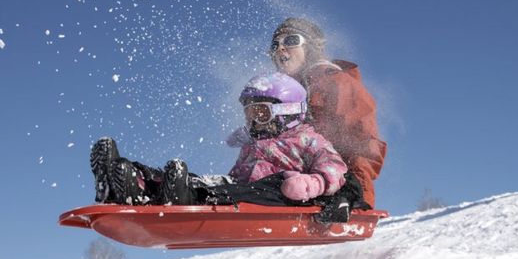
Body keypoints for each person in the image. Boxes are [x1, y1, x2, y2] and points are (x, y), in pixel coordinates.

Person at [91, 72, 359, 222]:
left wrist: (312, 184)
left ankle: (186, 195)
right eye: (250, 114)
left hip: (277, 194)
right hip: (240, 187)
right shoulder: (254, 143)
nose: (254, 121)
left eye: (262, 114)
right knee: (204, 180)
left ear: (287, 113)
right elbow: (236, 176)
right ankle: (134, 182)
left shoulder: (307, 139)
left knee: (229, 189)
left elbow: (335, 168)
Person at [267, 17, 387, 208]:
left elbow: (362, 142)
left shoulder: (336, 82)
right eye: (275, 45)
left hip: (333, 190)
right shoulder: (279, 95)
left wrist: (353, 192)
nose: (280, 48)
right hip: (288, 185)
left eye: (291, 41)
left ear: (311, 47)